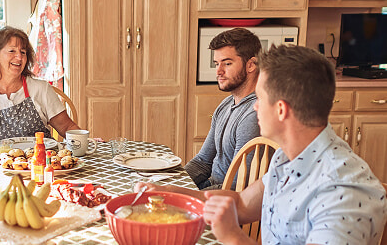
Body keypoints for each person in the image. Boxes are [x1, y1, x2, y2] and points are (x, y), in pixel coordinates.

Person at [137, 45, 387, 244]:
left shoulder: (341, 192)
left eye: (261, 98)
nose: (255, 105)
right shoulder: (287, 157)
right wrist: (170, 193)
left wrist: (233, 237)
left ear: (281, 110)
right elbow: (241, 204)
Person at [0, 26, 80, 145]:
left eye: (23, 52)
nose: (19, 57)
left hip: (41, 163)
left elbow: (67, 127)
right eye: (12, 51)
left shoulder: (41, 89)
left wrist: (86, 141)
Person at [185, 27, 261, 190]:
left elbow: (236, 187)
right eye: (216, 64)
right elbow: (202, 162)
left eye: (227, 63)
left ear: (251, 65)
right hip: (212, 187)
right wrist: (171, 185)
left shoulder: (253, 114)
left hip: (227, 200)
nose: (218, 71)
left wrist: (179, 194)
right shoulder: (226, 105)